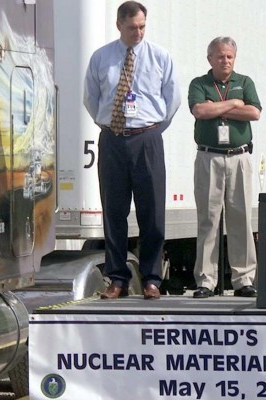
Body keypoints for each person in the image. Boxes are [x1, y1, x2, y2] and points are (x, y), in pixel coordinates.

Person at [83, 1, 181, 300]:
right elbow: (91, 98)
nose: (138, 32)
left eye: (142, 26)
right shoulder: (102, 57)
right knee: (114, 211)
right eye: (131, 27)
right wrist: (110, 127)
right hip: (112, 139)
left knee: (151, 211)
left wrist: (150, 131)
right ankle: (117, 278)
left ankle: (152, 279)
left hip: (147, 138)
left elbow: (172, 99)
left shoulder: (160, 56)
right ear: (119, 26)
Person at [187, 37, 260, 298]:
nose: (225, 60)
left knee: (240, 218)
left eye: (229, 56)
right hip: (210, 158)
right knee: (208, 219)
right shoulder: (199, 83)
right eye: (219, 56)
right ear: (210, 59)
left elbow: (254, 113)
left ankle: (243, 279)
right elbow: (200, 111)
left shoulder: (245, 82)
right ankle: (206, 280)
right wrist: (233, 104)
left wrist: (218, 108)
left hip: (239, 157)